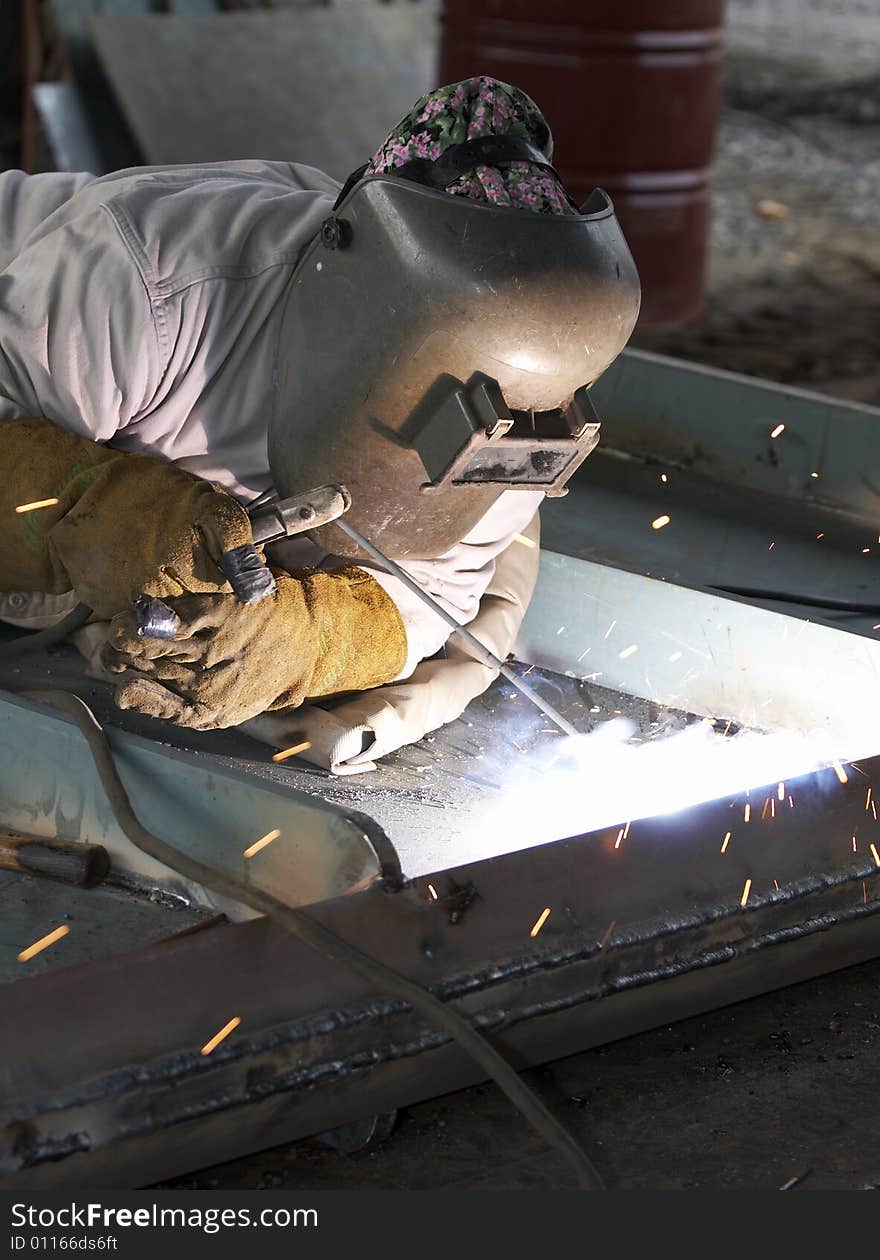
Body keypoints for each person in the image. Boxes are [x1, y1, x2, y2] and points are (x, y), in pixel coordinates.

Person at [0, 78, 638, 772]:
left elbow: (435, 601)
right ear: (364, 305)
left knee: (493, 599)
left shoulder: (524, 409)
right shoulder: (151, 280)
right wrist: (114, 511)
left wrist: (298, 639)